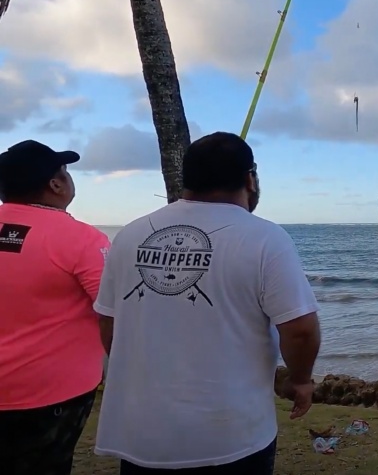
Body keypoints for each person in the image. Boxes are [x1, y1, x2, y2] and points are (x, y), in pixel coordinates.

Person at [93, 131, 322, 474]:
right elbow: (301, 330)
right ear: (249, 179)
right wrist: (300, 379)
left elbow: (109, 322)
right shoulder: (265, 237)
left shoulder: (130, 234)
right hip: (230, 439)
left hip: (142, 433)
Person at [0, 140, 112, 475]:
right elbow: (114, 311)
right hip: (46, 397)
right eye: (64, 171)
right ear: (56, 184)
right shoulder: (82, 239)